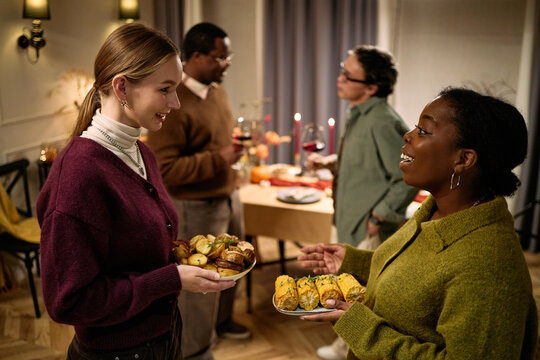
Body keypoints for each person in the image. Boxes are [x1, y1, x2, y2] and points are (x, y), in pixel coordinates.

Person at [36, 23, 235, 359]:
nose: (176, 103)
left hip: (164, 337)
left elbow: (137, 255)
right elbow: (69, 302)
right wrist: (172, 279)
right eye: (166, 89)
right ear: (122, 87)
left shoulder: (143, 154)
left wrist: (191, 262)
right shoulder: (80, 173)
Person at [298, 87, 538, 359]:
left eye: (423, 130)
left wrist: (361, 328)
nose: (408, 135)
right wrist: (356, 263)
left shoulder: (490, 266)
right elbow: (420, 276)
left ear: (464, 159)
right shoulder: (436, 211)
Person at [146, 22, 249, 360]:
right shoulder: (173, 104)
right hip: (196, 206)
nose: (227, 63)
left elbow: (218, 142)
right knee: (200, 289)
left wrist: (229, 157)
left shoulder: (216, 89)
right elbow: (168, 171)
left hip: (227, 196)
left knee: (235, 268)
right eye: (220, 57)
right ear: (196, 56)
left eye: (228, 55)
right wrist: (218, 159)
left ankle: (223, 323)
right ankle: (195, 351)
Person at [307, 46, 418, 359]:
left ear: (371, 88)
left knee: (361, 293)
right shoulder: (359, 112)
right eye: (343, 69)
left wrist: (379, 215)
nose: (339, 78)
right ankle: (344, 346)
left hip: (368, 224)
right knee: (346, 285)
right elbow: (369, 163)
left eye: (347, 75)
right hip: (349, 215)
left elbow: (405, 177)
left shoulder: (382, 121)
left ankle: (350, 350)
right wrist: (331, 163)